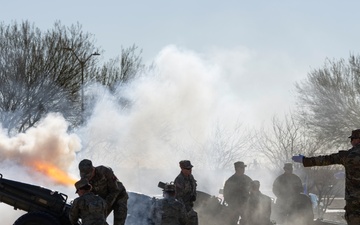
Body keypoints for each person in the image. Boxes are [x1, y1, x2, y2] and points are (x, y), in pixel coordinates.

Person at [292, 128, 360, 225]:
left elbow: (325, 159)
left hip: (355, 203)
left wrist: (304, 160)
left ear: (357, 139)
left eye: (352, 139)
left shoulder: (348, 155)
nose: (351, 142)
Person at [78, 159, 128, 225]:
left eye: (88, 175)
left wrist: (105, 205)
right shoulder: (85, 180)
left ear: (93, 169)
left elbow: (115, 190)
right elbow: (87, 196)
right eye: (85, 176)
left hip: (119, 196)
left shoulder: (105, 171)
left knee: (119, 219)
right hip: (104, 199)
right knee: (96, 221)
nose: (87, 178)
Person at [174, 160, 198, 225]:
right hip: (182, 206)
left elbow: (193, 188)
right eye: (188, 169)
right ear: (182, 169)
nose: (190, 170)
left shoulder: (190, 177)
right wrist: (184, 210)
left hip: (189, 204)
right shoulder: (179, 180)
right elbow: (177, 197)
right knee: (192, 217)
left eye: (190, 168)